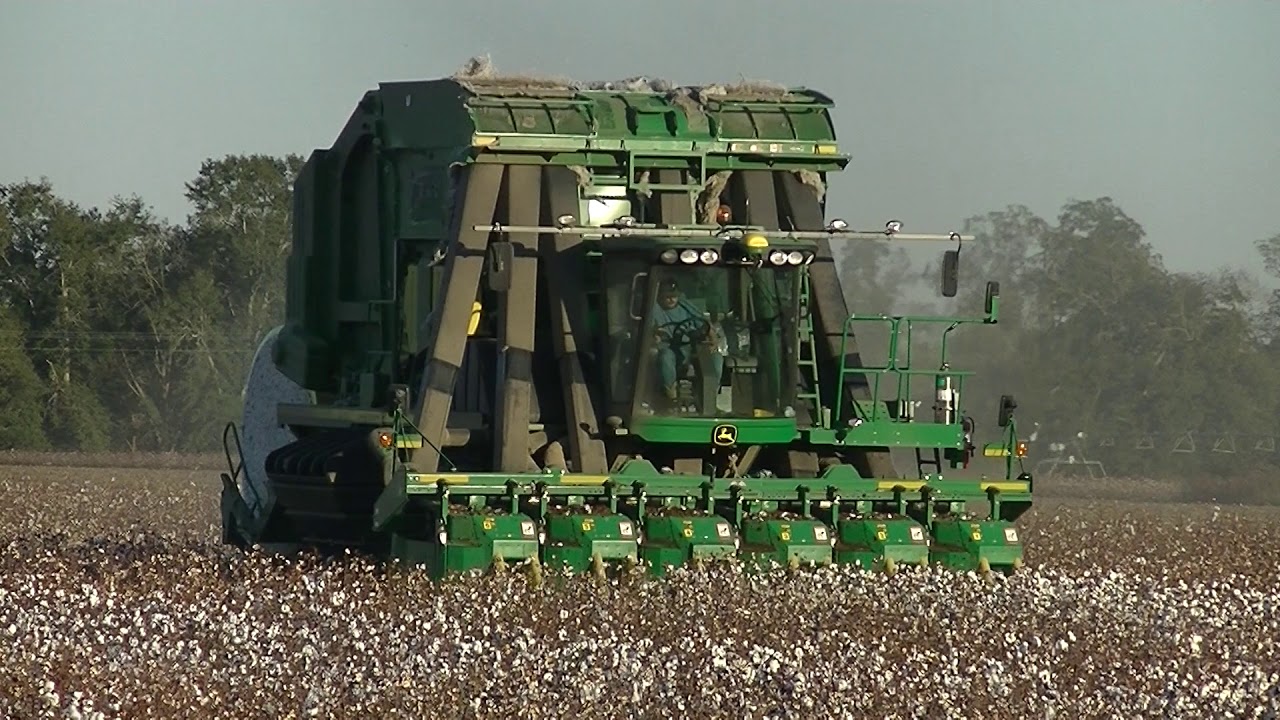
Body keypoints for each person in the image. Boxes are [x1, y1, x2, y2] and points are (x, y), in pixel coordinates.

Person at [649, 280, 725, 401]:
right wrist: (654, 337)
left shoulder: (686, 307)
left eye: (674, 296)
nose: (671, 299)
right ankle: (671, 396)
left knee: (715, 358)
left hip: (691, 348)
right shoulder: (655, 310)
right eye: (667, 297)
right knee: (666, 356)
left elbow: (705, 326)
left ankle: (710, 397)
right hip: (668, 348)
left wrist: (713, 341)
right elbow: (649, 333)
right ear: (660, 296)